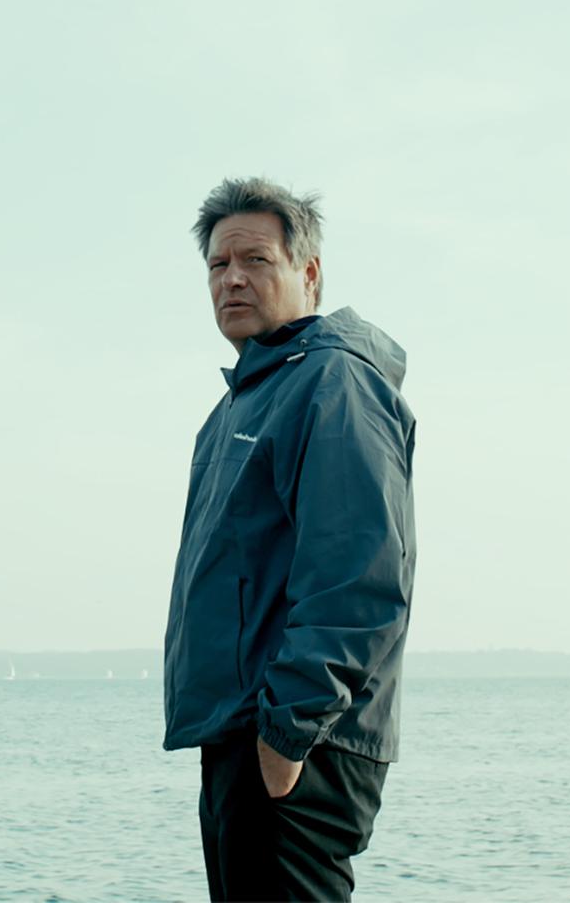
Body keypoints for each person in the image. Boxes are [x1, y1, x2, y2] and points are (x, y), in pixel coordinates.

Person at [163, 178, 417, 902]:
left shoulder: (335, 383)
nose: (232, 279)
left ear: (308, 273)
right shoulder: (240, 404)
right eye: (218, 264)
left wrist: (287, 733)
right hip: (244, 734)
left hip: (297, 741)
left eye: (256, 260)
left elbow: (359, 575)